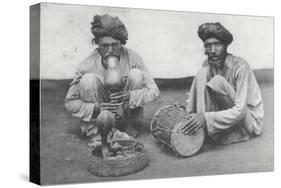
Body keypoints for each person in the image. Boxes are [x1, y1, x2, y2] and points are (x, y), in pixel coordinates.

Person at [64, 14, 159, 156]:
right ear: (96, 44)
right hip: (100, 121)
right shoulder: (86, 65)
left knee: (135, 74)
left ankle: (128, 130)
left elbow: (154, 90)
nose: (110, 50)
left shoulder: (133, 57)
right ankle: (97, 132)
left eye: (115, 45)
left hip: (127, 120)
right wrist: (95, 108)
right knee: (88, 79)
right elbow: (70, 102)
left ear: (121, 43)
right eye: (105, 45)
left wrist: (130, 96)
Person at [182, 22, 264, 145]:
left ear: (225, 46)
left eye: (217, 44)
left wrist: (205, 118)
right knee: (203, 72)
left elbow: (240, 110)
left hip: (249, 121)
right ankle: (195, 125)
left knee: (217, 81)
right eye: (208, 45)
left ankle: (203, 129)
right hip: (229, 116)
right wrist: (189, 113)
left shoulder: (240, 66)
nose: (212, 50)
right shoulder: (207, 66)